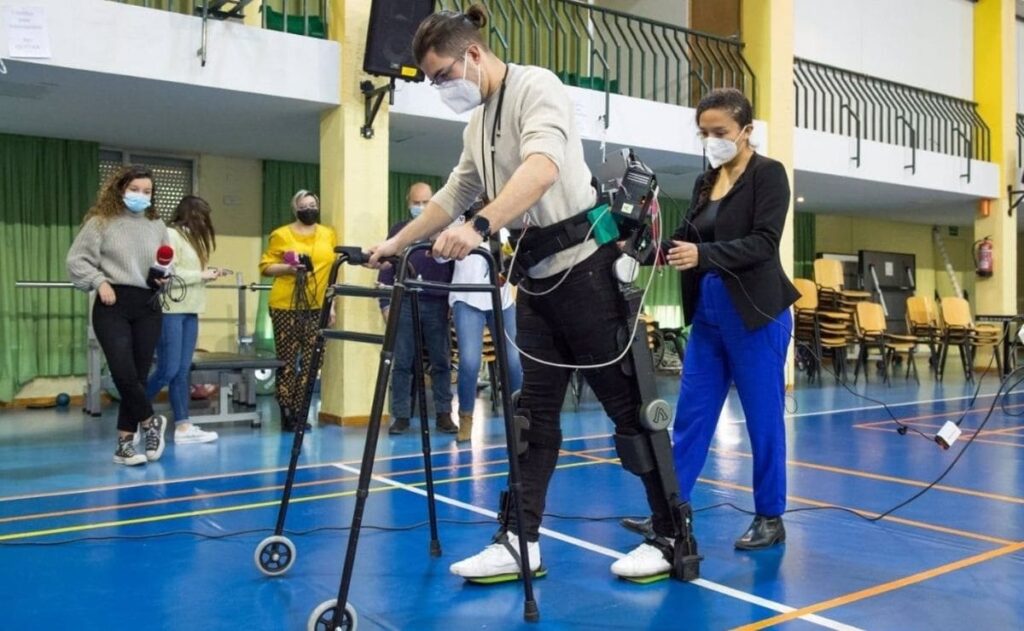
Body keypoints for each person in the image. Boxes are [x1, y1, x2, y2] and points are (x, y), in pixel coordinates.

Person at [369, 4, 679, 581]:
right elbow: (452, 193)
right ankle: (519, 540)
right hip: (537, 280)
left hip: (587, 270)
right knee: (531, 417)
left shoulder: (539, 86)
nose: (441, 88)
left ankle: (670, 537)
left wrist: (480, 226)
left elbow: (540, 167)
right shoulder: (476, 122)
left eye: (442, 76)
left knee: (629, 413)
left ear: (474, 54)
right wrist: (396, 243)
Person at [624, 88, 798, 550]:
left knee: (764, 421)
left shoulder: (769, 175)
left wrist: (702, 254)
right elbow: (685, 239)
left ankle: (770, 516)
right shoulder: (706, 181)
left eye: (719, 132)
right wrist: (643, 250)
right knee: (691, 418)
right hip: (709, 311)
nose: (711, 140)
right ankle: (670, 512)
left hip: (757, 313)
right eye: (704, 133)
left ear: (746, 130)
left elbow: (764, 242)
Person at [67, 165, 170, 466]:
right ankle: (152, 422)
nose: (141, 195)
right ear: (120, 189)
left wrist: (163, 277)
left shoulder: (157, 225)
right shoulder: (101, 222)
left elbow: (165, 263)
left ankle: (124, 445)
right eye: (134, 189)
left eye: (147, 191)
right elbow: (76, 261)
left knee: (137, 377)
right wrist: (99, 282)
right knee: (122, 373)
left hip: (148, 303)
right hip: (113, 303)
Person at [377, 182, 458, 436]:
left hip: (437, 304)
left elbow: (455, 271)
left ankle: (444, 414)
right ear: (408, 203)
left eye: (426, 202)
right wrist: (385, 304)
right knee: (402, 362)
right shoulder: (400, 231)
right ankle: (401, 416)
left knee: (441, 361)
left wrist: (452, 304)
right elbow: (387, 267)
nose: (421, 207)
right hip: (405, 303)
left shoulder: (445, 231)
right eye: (417, 203)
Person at [145, 195, 225, 445]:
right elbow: (169, 270)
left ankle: (183, 425)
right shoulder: (170, 234)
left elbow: (190, 273)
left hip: (191, 310)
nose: (206, 221)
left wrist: (208, 274)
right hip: (171, 310)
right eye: (202, 216)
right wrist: (202, 274)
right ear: (191, 214)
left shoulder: (192, 239)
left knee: (181, 371)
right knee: (167, 369)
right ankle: (133, 410)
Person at [259, 190, 338, 432]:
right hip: (285, 304)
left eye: (313, 205)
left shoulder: (328, 234)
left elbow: (334, 271)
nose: (309, 209)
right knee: (288, 361)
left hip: (317, 305)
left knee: (314, 359)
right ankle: (286, 411)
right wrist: (288, 268)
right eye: (304, 206)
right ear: (296, 209)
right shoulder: (280, 235)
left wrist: (332, 304)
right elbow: (265, 267)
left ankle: (302, 408)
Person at [448, 210, 522, 443]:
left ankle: (519, 419)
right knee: (469, 362)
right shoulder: (457, 221)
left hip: (501, 300)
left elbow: (516, 252)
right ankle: (466, 418)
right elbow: (441, 256)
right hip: (467, 299)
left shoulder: (506, 218)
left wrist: (510, 271)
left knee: (513, 360)